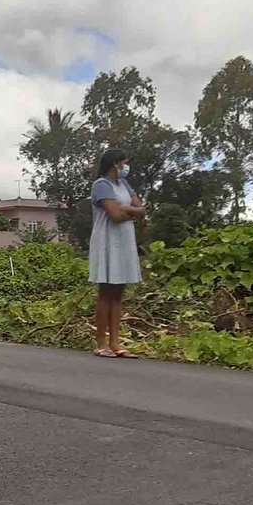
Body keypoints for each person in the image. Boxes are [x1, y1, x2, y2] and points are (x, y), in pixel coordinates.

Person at [89, 147, 145, 357]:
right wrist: (129, 211)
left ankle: (115, 343)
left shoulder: (124, 184)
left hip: (124, 241)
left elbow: (141, 209)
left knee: (118, 293)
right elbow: (114, 215)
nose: (126, 166)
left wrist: (128, 210)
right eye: (125, 162)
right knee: (106, 292)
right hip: (107, 241)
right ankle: (101, 343)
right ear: (115, 164)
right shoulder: (101, 185)